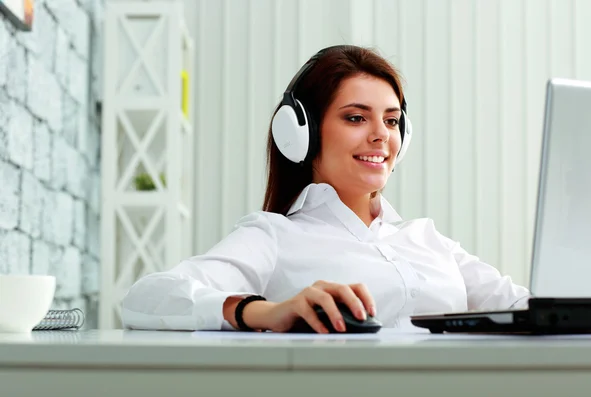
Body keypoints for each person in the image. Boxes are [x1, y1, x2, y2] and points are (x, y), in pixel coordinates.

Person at [121, 45, 531, 333]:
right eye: (356, 118)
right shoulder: (275, 237)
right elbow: (146, 297)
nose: (380, 137)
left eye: (391, 121)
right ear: (303, 134)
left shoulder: (428, 240)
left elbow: (527, 307)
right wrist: (263, 311)